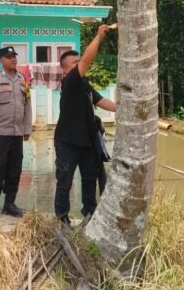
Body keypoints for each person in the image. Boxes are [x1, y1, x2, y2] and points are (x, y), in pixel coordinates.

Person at [54, 25, 117, 224]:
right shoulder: (69, 82)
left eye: (79, 61)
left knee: (90, 180)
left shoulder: (84, 85)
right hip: (68, 142)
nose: (80, 63)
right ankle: (62, 217)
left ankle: (89, 214)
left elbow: (101, 102)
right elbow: (88, 60)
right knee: (65, 181)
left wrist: (122, 108)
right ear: (65, 70)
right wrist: (99, 36)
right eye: (75, 62)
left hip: (88, 142)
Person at [0, 46, 33, 221]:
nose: (13, 59)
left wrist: (27, 128)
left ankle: (9, 204)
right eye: (9, 57)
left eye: (14, 56)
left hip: (17, 133)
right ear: (1, 60)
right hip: (0, 133)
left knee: (15, 169)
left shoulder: (22, 80)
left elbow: (27, 105)